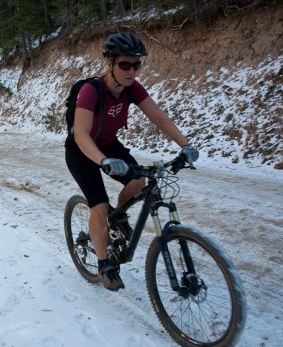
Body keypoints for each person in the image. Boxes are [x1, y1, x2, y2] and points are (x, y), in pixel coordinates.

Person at [64, 33, 199, 291]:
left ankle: (119, 217)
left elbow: (158, 117)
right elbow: (81, 134)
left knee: (139, 179)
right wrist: (103, 161)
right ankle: (104, 264)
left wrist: (185, 145)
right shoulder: (91, 91)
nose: (132, 71)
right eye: (125, 64)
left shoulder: (132, 89)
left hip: (108, 145)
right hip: (81, 151)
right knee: (99, 206)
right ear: (109, 63)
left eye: (137, 65)